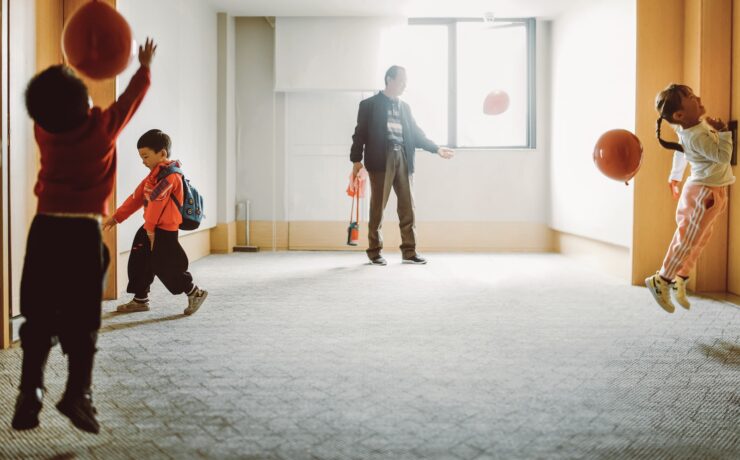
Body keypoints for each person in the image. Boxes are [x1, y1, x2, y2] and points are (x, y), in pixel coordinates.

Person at [12, 39, 157, 434]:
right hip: (82, 232)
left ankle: (30, 392)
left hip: (44, 230)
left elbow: (54, 102)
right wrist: (143, 66)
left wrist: (63, 70)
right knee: (83, 318)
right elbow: (130, 99)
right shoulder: (101, 128)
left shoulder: (45, 131)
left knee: (38, 315)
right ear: (85, 106)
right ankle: (78, 393)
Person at [349, 65, 454, 266]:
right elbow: (359, 133)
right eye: (401, 80)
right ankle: (374, 251)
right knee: (377, 207)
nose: (405, 85)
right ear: (389, 79)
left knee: (408, 207)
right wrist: (356, 161)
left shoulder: (405, 107)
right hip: (381, 158)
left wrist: (436, 149)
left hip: (404, 157)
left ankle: (409, 251)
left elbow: (416, 133)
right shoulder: (369, 105)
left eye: (406, 81)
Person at [646, 84, 734, 313]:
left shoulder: (691, 129)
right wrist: (724, 131)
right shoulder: (694, 135)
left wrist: (675, 176)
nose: (699, 97)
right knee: (687, 239)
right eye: (692, 97)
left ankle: (680, 279)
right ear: (679, 115)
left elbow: (680, 151)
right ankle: (662, 279)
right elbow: (723, 156)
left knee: (698, 240)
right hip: (703, 194)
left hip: (713, 192)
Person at [103, 129, 208, 316]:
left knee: (166, 266)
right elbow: (136, 197)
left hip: (164, 231)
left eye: (146, 156)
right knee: (139, 259)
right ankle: (140, 299)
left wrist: (150, 231)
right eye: (141, 157)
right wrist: (117, 217)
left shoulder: (170, 177)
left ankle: (195, 292)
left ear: (162, 154)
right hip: (151, 228)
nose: (143, 161)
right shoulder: (153, 175)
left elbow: (155, 206)